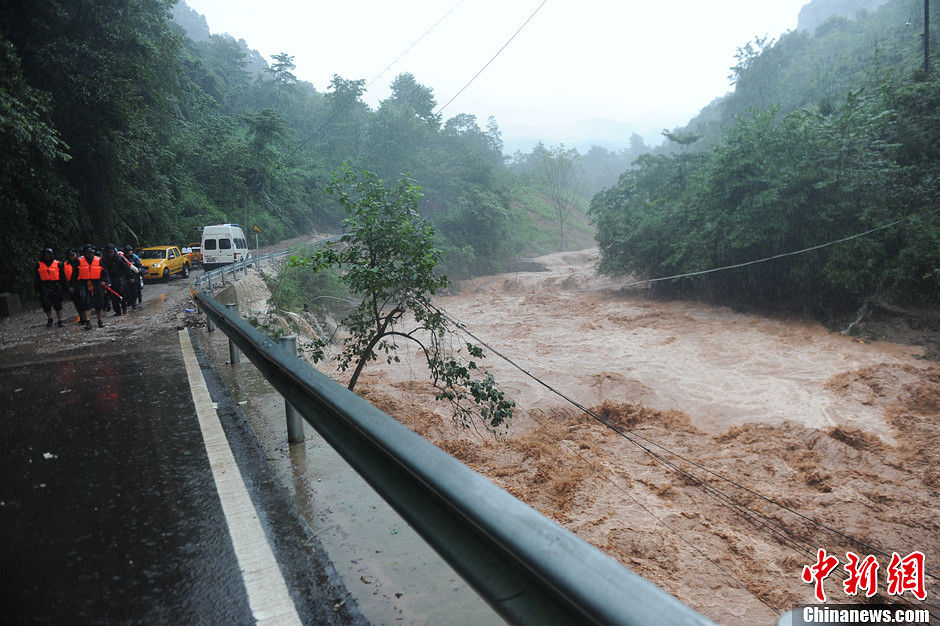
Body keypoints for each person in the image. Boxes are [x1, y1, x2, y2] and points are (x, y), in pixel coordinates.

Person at [72, 244, 111, 330]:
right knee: (86, 303)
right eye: (88, 252)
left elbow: (105, 272)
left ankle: (100, 321)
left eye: (91, 252)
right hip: (84, 283)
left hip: (96, 283)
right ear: (84, 252)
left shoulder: (98, 260)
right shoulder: (79, 260)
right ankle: (88, 322)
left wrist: (107, 281)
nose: (90, 254)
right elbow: (74, 274)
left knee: (99, 303)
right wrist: (72, 285)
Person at [34, 248, 67, 328]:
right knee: (46, 305)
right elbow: (36, 278)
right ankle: (50, 318)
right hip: (44, 287)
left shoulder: (58, 264)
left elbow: (63, 277)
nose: (47, 257)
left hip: (55, 286)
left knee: (58, 305)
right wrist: (37, 289)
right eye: (46, 256)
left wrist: (64, 288)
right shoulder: (39, 265)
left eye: (49, 255)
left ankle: (60, 320)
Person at [102, 243, 133, 315]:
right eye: (109, 252)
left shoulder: (119, 258)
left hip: (120, 277)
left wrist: (130, 277)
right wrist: (107, 281)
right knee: (113, 296)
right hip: (111, 278)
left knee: (122, 293)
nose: (111, 253)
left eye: (112, 252)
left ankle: (124, 307)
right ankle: (117, 311)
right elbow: (105, 271)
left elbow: (127, 267)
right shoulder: (104, 260)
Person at [62, 248, 83, 324]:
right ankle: (82, 317)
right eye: (70, 255)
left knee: (83, 301)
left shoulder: (81, 262)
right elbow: (63, 277)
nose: (72, 256)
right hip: (71, 285)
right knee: (77, 303)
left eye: (73, 255)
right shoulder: (64, 264)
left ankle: (85, 318)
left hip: (81, 284)